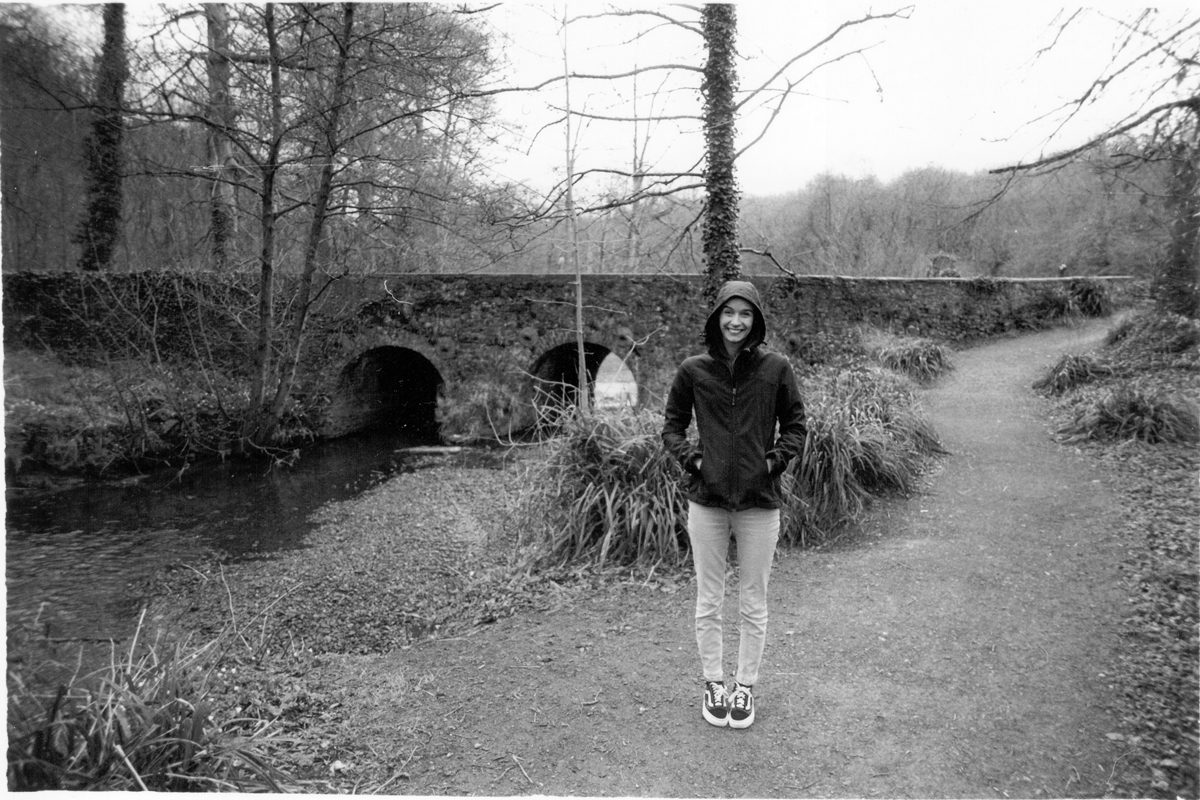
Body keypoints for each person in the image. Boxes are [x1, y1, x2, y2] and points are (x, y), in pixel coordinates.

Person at [662, 279, 806, 729]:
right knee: (708, 599)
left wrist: (771, 463)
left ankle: (743, 688)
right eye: (729, 312)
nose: (736, 321)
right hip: (707, 502)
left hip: (759, 503)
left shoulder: (776, 368)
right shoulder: (693, 370)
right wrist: (695, 460)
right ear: (717, 317)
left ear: (756, 320)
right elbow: (671, 426)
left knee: (752, 600)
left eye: (745, 314)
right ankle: (713, 683)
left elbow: (797, 426)